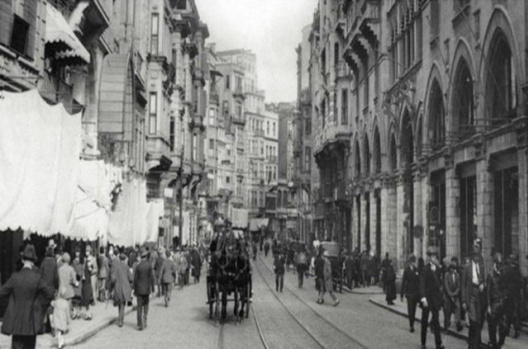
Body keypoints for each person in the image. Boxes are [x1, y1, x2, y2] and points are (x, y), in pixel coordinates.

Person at [0, 244, 54, 349]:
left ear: (22, 260)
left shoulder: (15, 277)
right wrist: (39, 305)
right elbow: (50, 294)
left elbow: (1, 293)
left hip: (16, 323)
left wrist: (11, 302)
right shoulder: (37, 278)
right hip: (31, 323)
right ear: (33, 262)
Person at [461, 238, 486, 349]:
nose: (477, 258)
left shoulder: (481, 266)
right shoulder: (467, 267)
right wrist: (463, 301)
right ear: (472, 256)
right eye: (475, 256)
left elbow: (484, 280)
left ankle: (471, 345)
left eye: (478, 256)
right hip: (470, 296)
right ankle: (474, 346)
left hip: (479, 296)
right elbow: (463, 285)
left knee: (478, 322)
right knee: (474, 321)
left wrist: (483, 284)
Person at [419, 246, 445, 349]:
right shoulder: (425, 269)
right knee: (424, 321)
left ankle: (438, 344)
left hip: (435, 299)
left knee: (436, 321)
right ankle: (423, 342)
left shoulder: (438, 269)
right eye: (432, 256)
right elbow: (422, 284)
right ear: (429, 258)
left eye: (435, 256)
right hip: (427, 298)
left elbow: (439, 284)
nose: (433, 258)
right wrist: (423, 298)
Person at [487, 252, 507, 349]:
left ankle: (500, 343)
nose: (500, 266)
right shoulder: (490, 275)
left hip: (501, 303)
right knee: (492, 326)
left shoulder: (503, 274)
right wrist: (488, 306)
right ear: (495, 263)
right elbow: (488, 292)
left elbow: (505, 288)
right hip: (493, 303)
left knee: (503, 327)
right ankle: (494, 344)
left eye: (501, 264)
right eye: (498, 264)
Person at [110, 249, 133, 328]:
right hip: (125, 288)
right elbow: (131, 278)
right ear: (125, 259)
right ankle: (120, 320)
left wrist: (111, 286)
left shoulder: (116, 267)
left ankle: (120, 318)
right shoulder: (127, 267)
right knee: (122, 304)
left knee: (120, 303)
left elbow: (113, 279)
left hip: (118, 288)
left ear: (119, 259)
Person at [134, 246, 154, 331]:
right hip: (146, 289)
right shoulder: (149, 265)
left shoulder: (138, 266)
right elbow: (151, 278)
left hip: (139, 290)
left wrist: (134, 290)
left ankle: (139, 324)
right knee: (146, 304)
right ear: (146, 256)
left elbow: (135, 279)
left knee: (139, 307)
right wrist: (152, 288)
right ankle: (145, 316)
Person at [502, 254, 522, 339]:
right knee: (511, 313)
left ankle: (515, 329)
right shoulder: (517, 271)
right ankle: (508, 330)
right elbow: (520, 283)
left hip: (509, 295)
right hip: (515, 295)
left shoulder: (508, 270)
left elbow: (505, 282)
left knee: (510, 313)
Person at [39, 246, 58, 333]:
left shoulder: (43, 263)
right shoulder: (54, 263)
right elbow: (56, 277)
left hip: (43, 289)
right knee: (50, 309)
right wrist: (56, 287)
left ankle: (43, 328)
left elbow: (40, 276)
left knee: (43, 308)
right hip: (51, 289)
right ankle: (52, 328)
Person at [401, 255, 420, 332]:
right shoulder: (406, 270)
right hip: (409, 292)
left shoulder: (416, 270)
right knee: (410, 309)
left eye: (414, 261)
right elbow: (403, 282)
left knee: (414, 309)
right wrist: (402, 294)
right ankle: (411, 325)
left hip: (415, 293)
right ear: (410, 262)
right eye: (412, 262)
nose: (413, 263)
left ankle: (412, 322)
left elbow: (419, 282)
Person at [444, 257, 463, 332]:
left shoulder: (457, 275)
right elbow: (446, 286)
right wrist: (450, 295)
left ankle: (458, 323)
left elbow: (458, 287)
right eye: (451, 268)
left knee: (458, 307)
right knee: (447, 312)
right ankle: (446, 327)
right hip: (447, 297)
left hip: (455, 296)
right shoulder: (446, 275)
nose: (453, 270)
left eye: (454, 268)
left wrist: (454, 294)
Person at [81, 246, 96, 320]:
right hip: (85, 279)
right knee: (85, 296)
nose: (86, 252)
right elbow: (83, 268)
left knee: (88, 296)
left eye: (88, 251)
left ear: (90, 251)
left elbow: (96, 269)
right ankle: (88, 312)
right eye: (86, 250)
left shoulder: (93, 259)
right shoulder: (85, 259)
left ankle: (88, 313)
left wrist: (91, 270)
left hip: (90, 279)